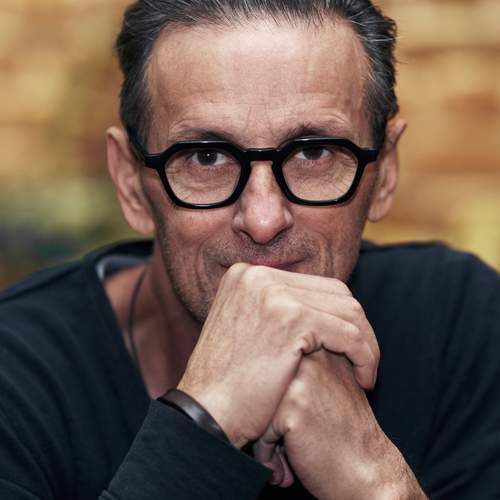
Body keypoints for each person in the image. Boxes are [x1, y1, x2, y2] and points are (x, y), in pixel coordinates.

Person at [0, 0, 499, 498]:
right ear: (130, 184)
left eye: (313, 151)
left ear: (384, 171)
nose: (263, 220)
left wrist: (374, 479)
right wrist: (206, 419)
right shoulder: (17, 375)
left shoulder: (460, 322)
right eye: (206, 156)